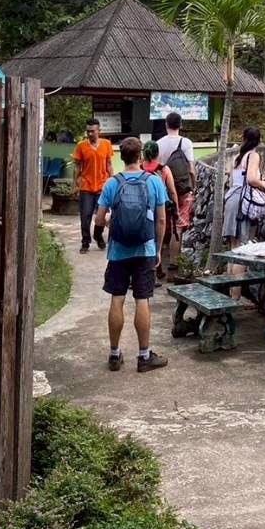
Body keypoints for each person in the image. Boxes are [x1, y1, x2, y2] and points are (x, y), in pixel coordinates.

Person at [92, 136, 169, 373]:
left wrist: (112, 223)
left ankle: (114, 355)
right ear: (140, 156)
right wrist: (157, 249)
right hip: (145, 250)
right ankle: (144, 356)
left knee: (117, 298)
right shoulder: (154, 181)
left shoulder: (111, 183)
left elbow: (99, 219)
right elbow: (161, 220)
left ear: (121, 157)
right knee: (142, 299)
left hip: (118, 251)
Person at [221, 126, 265, 298]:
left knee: (233, 247)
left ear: (243, 138)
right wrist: (264, 184)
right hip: (243, 204)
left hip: (231, 199)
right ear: (258, 140)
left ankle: (230, 293)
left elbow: (231, 181)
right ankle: (235, 296)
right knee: (242, 249)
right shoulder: (253, 156)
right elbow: (251, 179)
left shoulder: (236, 157)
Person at [156, 113, 196, 272]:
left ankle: (157, 264)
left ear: (166, 124)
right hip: (183, 191)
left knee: (161, 224)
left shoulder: (159, 143)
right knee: (177, 227)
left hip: (164, 191)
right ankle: (173, 264)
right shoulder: (186, 143)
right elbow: (191, 170)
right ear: (181, 125)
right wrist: (194, 187)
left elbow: (158, 170)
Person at [73, 118, 114, 253]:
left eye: (92, 131)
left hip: (102, 186)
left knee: (101, 216)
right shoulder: (81, 146)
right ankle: (85, 242)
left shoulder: (106, 144)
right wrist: (75, 184)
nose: (90, 134)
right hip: (86, 186)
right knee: (85, 216)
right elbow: (77, 166)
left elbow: (109, 164)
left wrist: (113, 181)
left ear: (99, 131)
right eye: (88, 131)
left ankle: (98, 235)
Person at [140, 141, 179, 279]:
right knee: (159, 240)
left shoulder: (139, 169)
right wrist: (176, 209)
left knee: (144, 240)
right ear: (157, 153)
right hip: (160, 209)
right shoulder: (163, 169)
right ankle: (157, 267)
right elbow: (172, 192)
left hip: (142, 209)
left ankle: (143, 270)